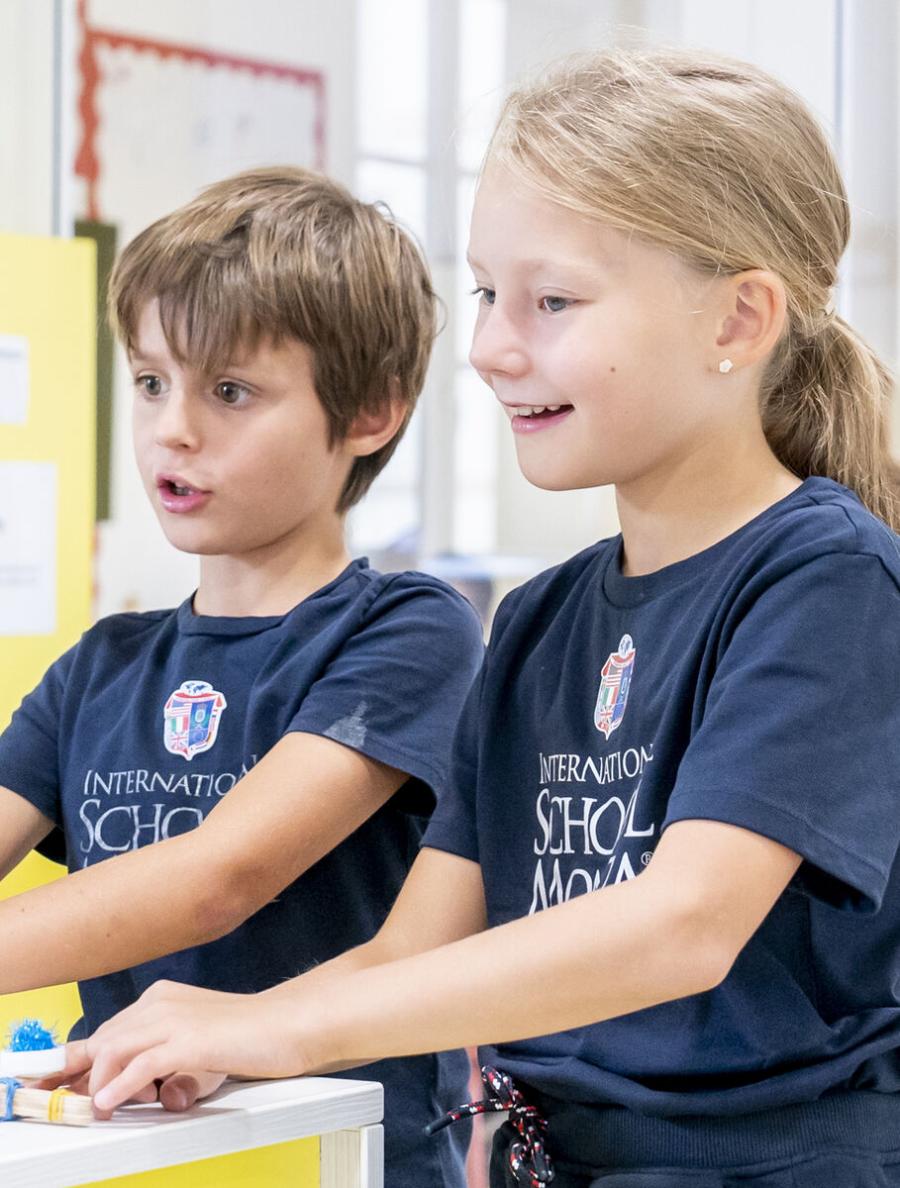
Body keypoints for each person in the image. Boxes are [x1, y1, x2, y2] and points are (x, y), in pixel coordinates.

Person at [59, 50, 900, 1187]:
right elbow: (411, 948)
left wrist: (278, 1031)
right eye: (489, 296)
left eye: (551, 302)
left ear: (739, 319)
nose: (496, 347)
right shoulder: (543, 618)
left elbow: (683, 925)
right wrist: (213, 1033)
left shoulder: (828, 580)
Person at [0, 166, 485, 1187]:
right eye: (149, 381)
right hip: (138, 1156)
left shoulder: (407, 631)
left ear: (370, 414)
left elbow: (219, 878)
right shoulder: (102, 667)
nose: (173, 428)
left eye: (229, 391)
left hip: (337, 1155)